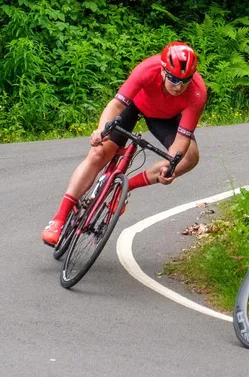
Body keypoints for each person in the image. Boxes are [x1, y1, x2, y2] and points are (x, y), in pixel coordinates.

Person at [42, 42, 207, 246]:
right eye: (173, 79)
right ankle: (59, 219)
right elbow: (117, 104)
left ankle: (126, 187)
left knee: (189, 157)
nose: (179, 86)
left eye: (185, 81)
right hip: (134, 105)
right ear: (163, 70)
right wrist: (101, 131)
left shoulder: (197, 93)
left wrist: (171, 165)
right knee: (99, 153)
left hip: (164, 118)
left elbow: (182, 138)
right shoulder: (147, 69)